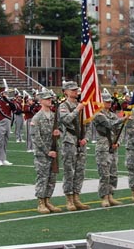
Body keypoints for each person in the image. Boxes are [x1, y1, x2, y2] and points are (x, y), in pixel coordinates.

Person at [31, 89, 63, 214]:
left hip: (54, 151)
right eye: (47, 99)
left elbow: (59, 132)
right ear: (41, 101)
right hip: (43, 154)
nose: (50, 101)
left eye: (51, 99)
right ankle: (41, 202)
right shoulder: (37, 117)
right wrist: (47, 151)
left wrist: (58, 134)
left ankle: (48, 200)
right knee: (43, 177)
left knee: (52, 178)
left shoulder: (54, 116)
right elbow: (36, 137)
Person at [59, 81, 89, 211]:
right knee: (69, 171)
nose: (75, 92)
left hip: (80, 141)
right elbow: (65, 120)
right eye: (72, 90)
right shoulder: (63, 106)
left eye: (76, 90)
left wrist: (86, 138)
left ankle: (77, 197)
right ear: (65, 92)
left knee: (80, 171)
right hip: (69, 141)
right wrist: (77, 110)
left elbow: (87, 124)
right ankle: (69, 199)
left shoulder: (80, 105)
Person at [93, 90, 125, 207]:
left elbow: (120, 131)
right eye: (106, 102)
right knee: (104, 174)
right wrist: (123, 118)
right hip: (103, 146)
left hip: (113, 147)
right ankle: (104, 197)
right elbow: (110, 124)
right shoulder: (98, 114)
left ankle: (111, 195)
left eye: (110, 102)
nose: (109, 103)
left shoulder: (112, 114)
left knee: (113, 173)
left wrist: (118, 142)